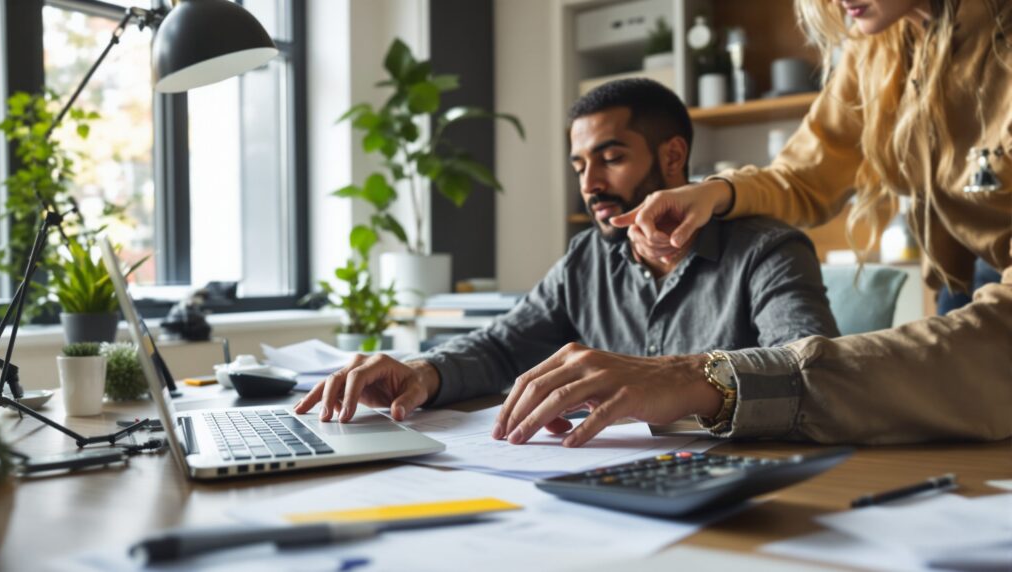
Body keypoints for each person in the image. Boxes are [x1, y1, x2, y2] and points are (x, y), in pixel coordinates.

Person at [516, 0, 1008, 446]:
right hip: (961, 283)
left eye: (610, 158)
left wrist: (702, 379)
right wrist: (715, 192)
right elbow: (806, 174)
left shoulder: (767, 252)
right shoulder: (877, 44)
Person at [295, 79, 840, 443]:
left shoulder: (768, 249)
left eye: (612, 158)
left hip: (744, 490)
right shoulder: (588, 258)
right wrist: (422, 371)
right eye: (580, 164)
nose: (590, 184)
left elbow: (815, 376)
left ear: (673, 157)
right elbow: (503, 344)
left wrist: (676, 380)